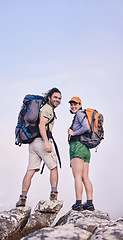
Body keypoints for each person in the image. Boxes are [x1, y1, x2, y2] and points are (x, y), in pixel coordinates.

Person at [16, 88, 61, 207]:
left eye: (59, 98)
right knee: (54, 168)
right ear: (50, 97)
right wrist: (46, 142)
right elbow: (41, 125)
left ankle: (22, 198)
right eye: (55, 97)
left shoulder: (43, 107)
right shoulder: (47, 108)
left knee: (30, 171)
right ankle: (54, 194)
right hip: (41, 141)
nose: (57, 100)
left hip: (33, 143)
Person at [68, 97, 95, 211]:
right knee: (85, 177)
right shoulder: (82, 114)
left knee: (78, 177)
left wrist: (73, 133)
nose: (73, 106)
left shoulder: (79, 114)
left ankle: (78, 203)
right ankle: (89, 204)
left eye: (75, 104)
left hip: (77, 147)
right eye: (71, 105)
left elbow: (86, 127)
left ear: (80, 104)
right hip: (85, 149)